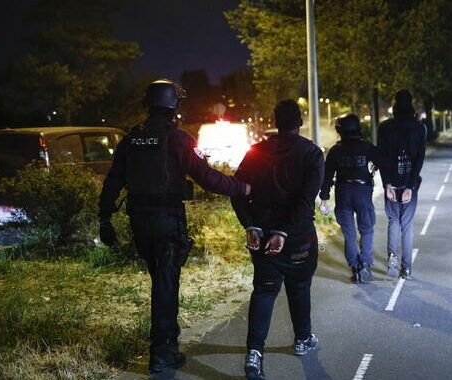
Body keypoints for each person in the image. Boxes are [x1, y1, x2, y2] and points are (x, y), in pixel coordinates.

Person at [98, 79, 251, 374]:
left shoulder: (132, 139)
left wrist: (104, 217)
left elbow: (113, 181)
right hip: (167, 220)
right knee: (166, 288)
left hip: (139, 221)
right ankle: (162, 354)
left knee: (161, 282)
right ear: (173, 106)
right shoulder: (179, 139)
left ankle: (167, 347)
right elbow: (206, 177)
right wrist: (240, 187)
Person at [231, 99, 324, 380]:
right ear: (300, 121)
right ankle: (302, 339)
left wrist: (251, 225)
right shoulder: (311, 154)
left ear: (275, 121)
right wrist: (284, 231)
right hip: (297, 237)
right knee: (299, 287)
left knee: (264, 290)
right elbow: (306, 201)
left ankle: (254, 355)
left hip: (261, 237)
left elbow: (236, 191)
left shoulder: (256, 151)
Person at [319, 114, 380, 284]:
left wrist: (324, 199)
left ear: (340, 131)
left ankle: (354, 266)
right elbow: (383, 160)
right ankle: (366, 264)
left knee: (349, 233)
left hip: (343, 192)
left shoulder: (335, 151)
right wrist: (375, 167)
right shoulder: (367, 147)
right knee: (367, 229)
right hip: (363, 192)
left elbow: (327, 176)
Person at [377, 89, 426, 280]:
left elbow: (382, 157)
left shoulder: (385, 127)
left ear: (394, 104)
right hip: (409, 184)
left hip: (392, 182)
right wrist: (410, 187)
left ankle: (392, 258)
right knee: (407, 226)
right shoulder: (419, 128)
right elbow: (419, 159)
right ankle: (406, 269)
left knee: (393, 222)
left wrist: (387, 184)